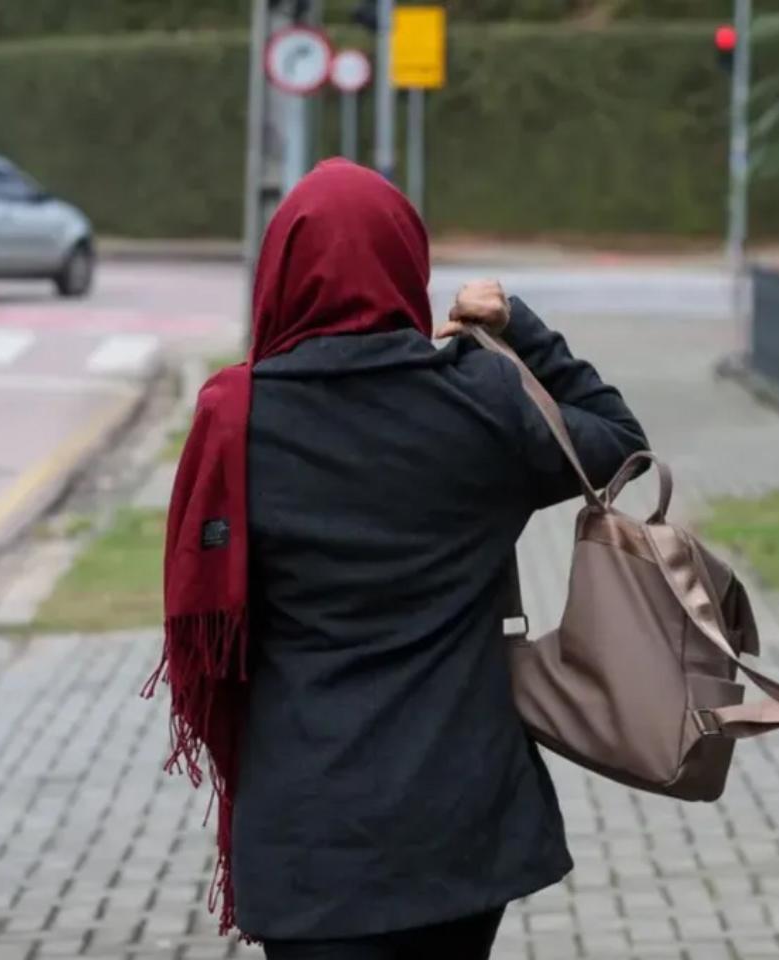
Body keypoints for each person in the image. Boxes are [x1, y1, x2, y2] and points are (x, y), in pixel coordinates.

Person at [149, 159, 648, 959]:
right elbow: (619, 443)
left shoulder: (237, 418)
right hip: (460, 831)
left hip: (310, 834)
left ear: (279, 273)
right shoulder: (481, 398)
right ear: (407, 265)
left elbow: (209, 619)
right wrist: (516, 326)